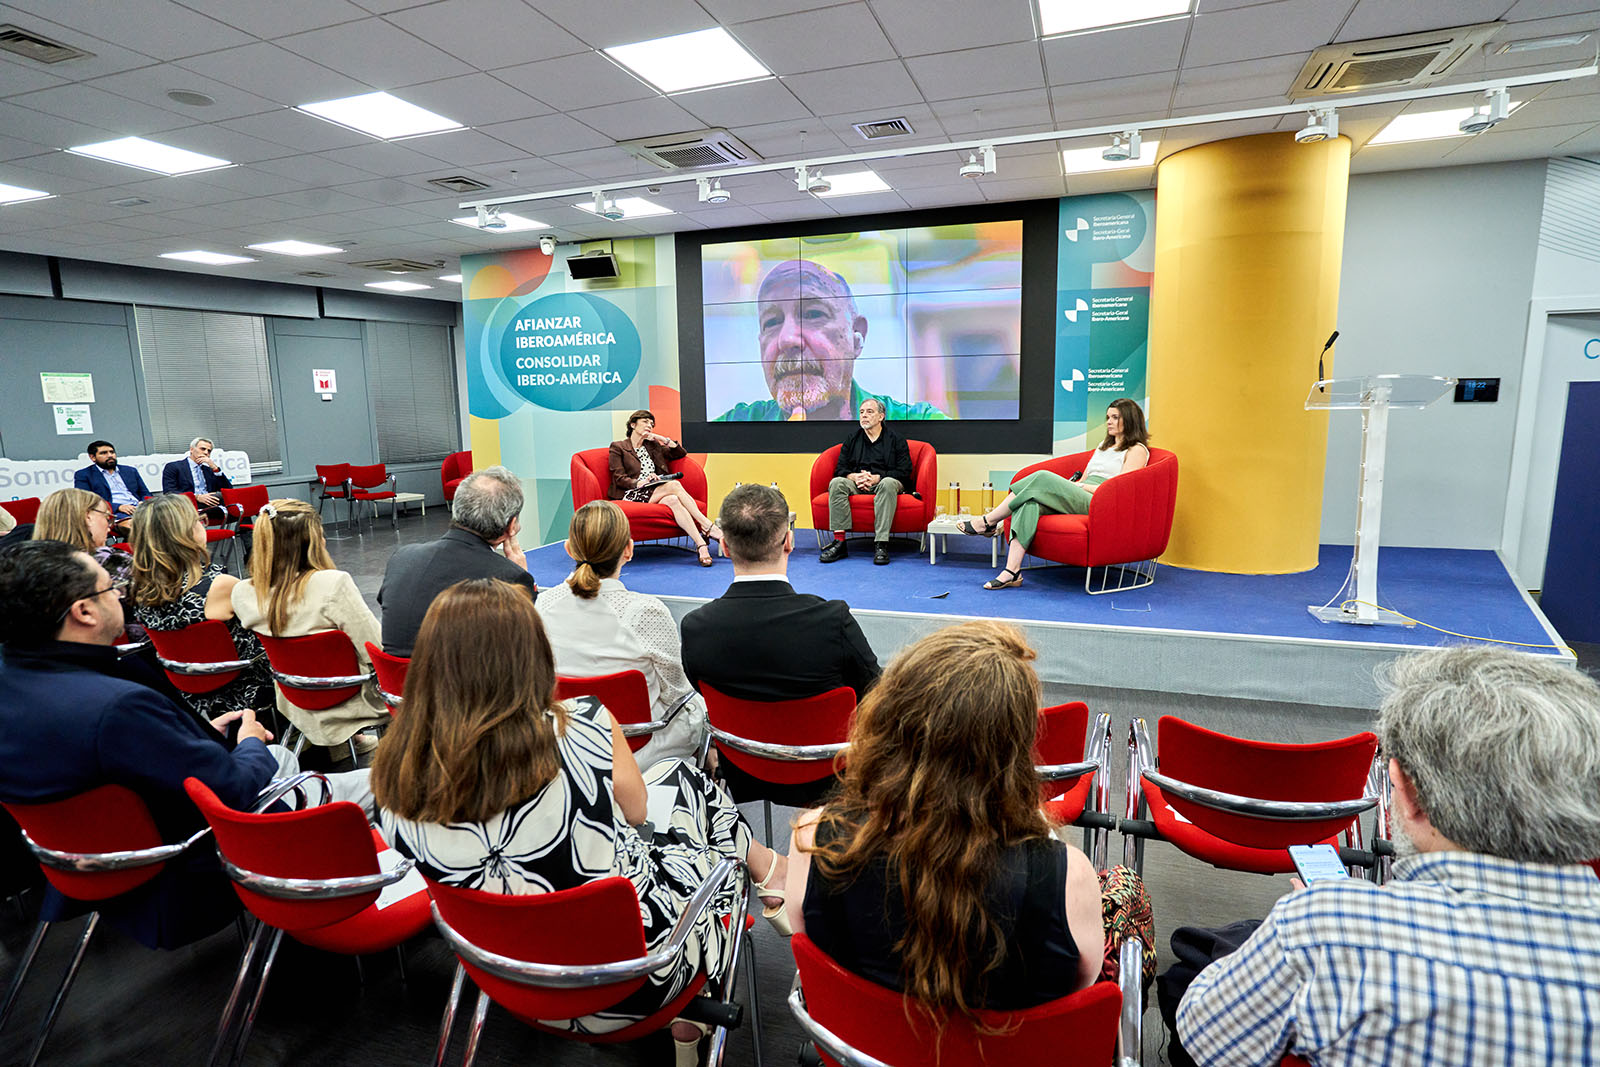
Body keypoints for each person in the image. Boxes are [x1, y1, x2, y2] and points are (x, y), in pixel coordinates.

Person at [371, 579, 789, 1064]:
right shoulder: (580, 722)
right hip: (636, 977)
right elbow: (636, 814)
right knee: (703, 821)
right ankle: (763, 886)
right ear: (530, 656)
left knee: (680, 784)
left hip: (509, 980)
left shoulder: (395, 778)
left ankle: (768, 874)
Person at [1174, 645, 1600, 1067]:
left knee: (1190, 971)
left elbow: (1205, 1037)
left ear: (1409, 792)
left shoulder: (1327, 924)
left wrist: (1315, 911)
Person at [786, 622, 1116, 1020]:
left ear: (890, 717)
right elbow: (1076, 988)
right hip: (1003, 1055)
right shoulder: (1065, 876)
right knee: (1124, 895)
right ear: (1012, 750)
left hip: (864, 1048)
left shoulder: (814, 838)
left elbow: (813, 949)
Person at [0, 539, 279, 948]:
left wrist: (184, 741)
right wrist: (252, 742)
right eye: (108, 588)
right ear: (84, 611)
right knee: (341, 778)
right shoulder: (116, 706)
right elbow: (235, 788)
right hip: (190, 873)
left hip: (85, 871)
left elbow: (105, 768)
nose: (118, 594)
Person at [681, 484, 880, 802]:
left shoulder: (695, 628)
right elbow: (876, 692)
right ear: (789, 541)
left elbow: (700, 687)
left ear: (726, 548)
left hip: (743, 772)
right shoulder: (831, 620)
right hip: (831, 778)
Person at [538, 500, 707, 766]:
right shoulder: (646, 611)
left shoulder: (545, 605)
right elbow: (677, 692)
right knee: (699, 706)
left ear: (568, 549)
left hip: (567, 742)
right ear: (629, 549)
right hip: (639, 750)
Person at [232, 498, 386, 755]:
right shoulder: (332, 584)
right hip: (351, 695)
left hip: (295, 696)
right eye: (320, 535)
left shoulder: (242, 592)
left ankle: (341, 746)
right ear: (309, 543)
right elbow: (374, 646)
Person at [713, 259, 949, 423]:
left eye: (814, 314)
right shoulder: (736, 424)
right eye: (772, 322)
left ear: (857, 337)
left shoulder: (916, 423)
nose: (787, 339)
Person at [963, 398, 1150, 590]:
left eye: (1115, 417)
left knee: (1042, 476)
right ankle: (1012, 571)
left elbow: (1121, 488)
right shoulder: (1103, 445)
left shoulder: (1136, 450)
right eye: (1108, 417)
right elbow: (1084, 477)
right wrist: (1073, 487)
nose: (1109, 421)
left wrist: (1082, 488)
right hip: (1082, 491)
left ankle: (988, 521)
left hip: (1101, 499)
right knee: (1029, 503)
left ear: (1129, 419)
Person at [127, 494, 272, 723]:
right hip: (249, 690)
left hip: (191, 691)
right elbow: (270, 623)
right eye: (197, 519)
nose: (202, 524)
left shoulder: (138, 588)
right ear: (183, 534)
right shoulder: (219, 585)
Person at [377, 465, 537, 658]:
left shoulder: (402, 558)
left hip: (394, 685)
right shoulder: (509, 576)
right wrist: (522, 576)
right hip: (459, 686)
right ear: (511, 526)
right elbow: (522, 639)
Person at [608, 408, 719, 567]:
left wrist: (660, 438)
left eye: (651, 424)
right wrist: (640, 482)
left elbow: (680, 453)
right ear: (633, 424)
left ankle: (701, 545)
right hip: (632, 492)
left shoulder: (652, 445)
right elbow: (618, 478)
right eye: (645, 422)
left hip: (654, 489)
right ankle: (707, 525)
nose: (649, 426)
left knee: (673, 500)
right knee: (674, 485)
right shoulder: (618, 447)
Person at [818, 397, 913, 567]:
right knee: (837, 483)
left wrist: (878, 477)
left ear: (881, 416)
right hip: (857, 483)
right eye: (861, 412)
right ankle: (839, 543)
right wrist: (853, 477)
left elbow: (904, 472)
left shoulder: (896, 440)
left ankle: (881, 544)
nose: (864, 416)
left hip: (885, 482)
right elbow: (839, 469)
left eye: (870, 412)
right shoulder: (852, 439)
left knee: (889, 483)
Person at [32, 486, 131, 589]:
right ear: (88, 518)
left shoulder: (29, 568)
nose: (109, 528)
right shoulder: (111, 561)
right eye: (107, 518)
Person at [74, 439, 153, 530]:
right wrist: (119, 507)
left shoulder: (130, 471)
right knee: (136, 526)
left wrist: (143, 503)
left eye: (112, 452)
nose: (110, 455)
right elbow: (86, 501)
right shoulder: (84, 475)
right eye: (104, 453)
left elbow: (146, 493)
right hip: (112, 513)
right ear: (93, 457)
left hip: (139, 509)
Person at [161, 436, 233, 526]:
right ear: (191, 449)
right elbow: (169, 493)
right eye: (203, 449)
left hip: (211, 503)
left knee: (239, 503)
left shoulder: (208, 470)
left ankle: (250, 537)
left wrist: (215, 468)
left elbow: (228, 490)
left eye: (209, 451)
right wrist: (197, 497)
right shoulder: (174, 467)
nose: (206, 453)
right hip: (188, 505)